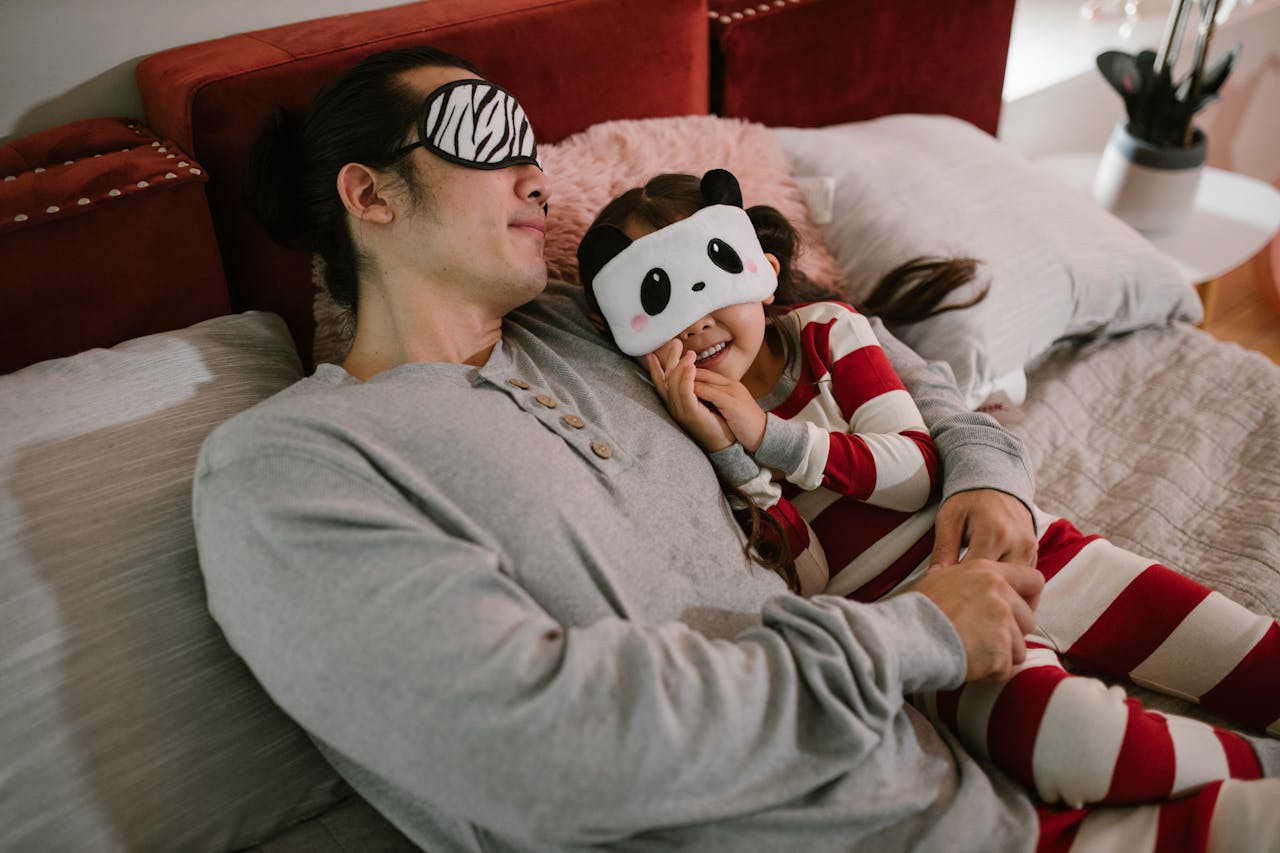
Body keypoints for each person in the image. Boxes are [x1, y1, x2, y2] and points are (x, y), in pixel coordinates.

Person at [191, 45, 1280, 852]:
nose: (535, 177)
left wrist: (989, 470)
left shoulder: (595, 324)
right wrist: (909, 638)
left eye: (532, 150)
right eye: (486, 140)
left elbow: (869, 356)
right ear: (367, 192)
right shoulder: (287, 464)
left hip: (962, 777)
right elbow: (537, 753)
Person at [576, 167, 1280, 812]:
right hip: (933, 629)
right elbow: (809, 575)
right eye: (659, 305)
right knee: (1073, 741)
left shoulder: (828, 333)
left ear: (758, 271)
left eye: (708, 278)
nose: (695, 321)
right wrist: (730, 453)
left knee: (1249, 654)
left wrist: (769, 435)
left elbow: (915, 473)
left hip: (999, 544)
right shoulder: (683, 442)